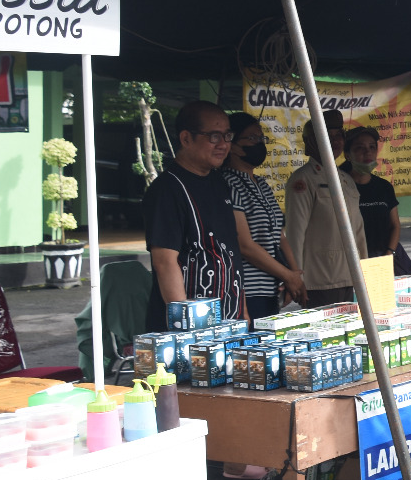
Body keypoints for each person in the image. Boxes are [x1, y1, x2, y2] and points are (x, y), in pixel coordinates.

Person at [142, 101, 245, 330]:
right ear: (186, 138)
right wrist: (188, 331)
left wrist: (242, 311)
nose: (223, 145)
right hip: (190, 328)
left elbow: (231, 253)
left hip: (229, 318)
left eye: (227, 136)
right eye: (214, 136)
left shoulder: (219, 182)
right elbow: (165, 262)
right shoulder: (167, 189)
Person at [223, 112, 305, 320]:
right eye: (251, 138)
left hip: (271, 287)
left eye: (261, 138)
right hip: (247, 291)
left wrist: (294, 276)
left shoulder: (262, 185)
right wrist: (286, 275)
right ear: (231, 144)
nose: (259, 144)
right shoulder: (227, 183)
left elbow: (279, 235)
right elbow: (245, 245)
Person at [284, 111, 367, 307]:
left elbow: (358, 232)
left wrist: (365, 272)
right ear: (312, 141)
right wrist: (296, 278)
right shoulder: (303, 180)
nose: (335, 140)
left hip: (351, 276)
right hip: (319, 280)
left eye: (338, 135)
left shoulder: (346, 180)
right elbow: (295, 234)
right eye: (327, 135)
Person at [343, 126, 402, 258]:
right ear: (348, 155)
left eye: (372, 147)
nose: (367, 152)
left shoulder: (384, 187)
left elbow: (395, 225)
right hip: (349, 260)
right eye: (360, 148)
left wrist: (389, 253)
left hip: (382, 257)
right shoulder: (339, 188)